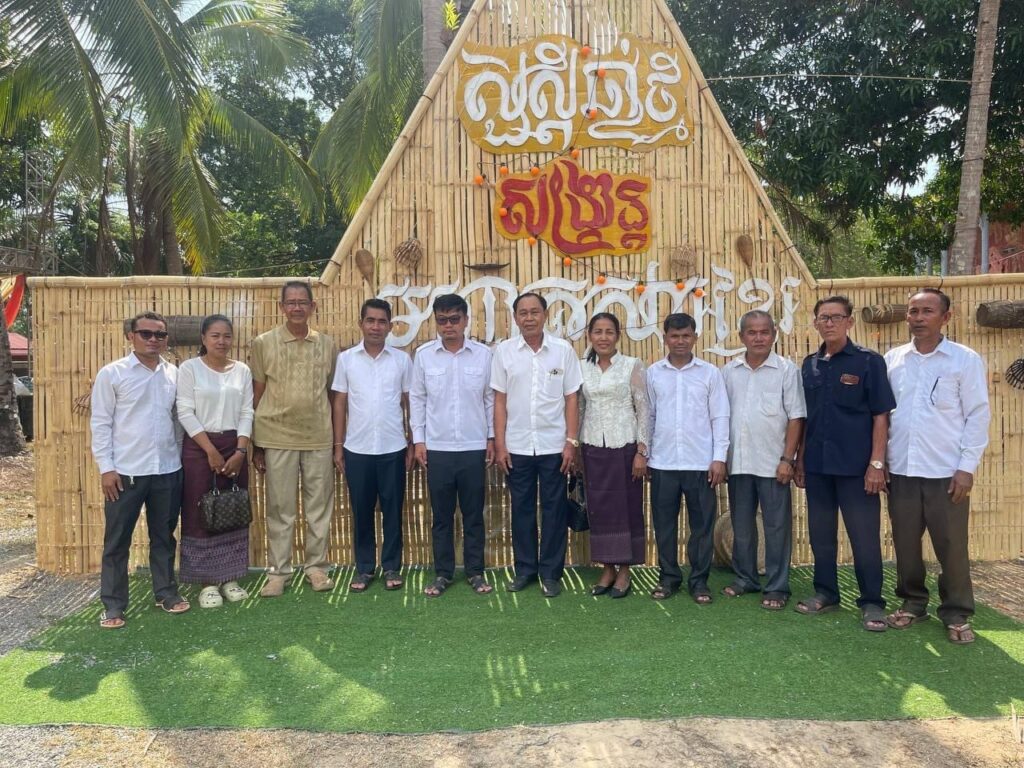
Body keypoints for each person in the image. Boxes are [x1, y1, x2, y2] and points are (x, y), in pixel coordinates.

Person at [884, 288, 990, 644]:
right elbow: (883, 416)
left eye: (927, 311)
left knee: (951, 545)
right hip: (901, 470)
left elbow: (977, 415)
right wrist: (881, 461)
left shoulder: (964, 360)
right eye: (913, 311)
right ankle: (913, 603)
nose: (918, 318)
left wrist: (966, 467)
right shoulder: (894, 360)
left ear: (946, 317)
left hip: (946, 472)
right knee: (905, 543)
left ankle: (956, 611)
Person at [795, 295, 896, 632]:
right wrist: (800, 460)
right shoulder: (809, 365)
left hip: (857, 469)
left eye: (836, 317)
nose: (830, 323)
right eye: (823, 317)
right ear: (815, 323)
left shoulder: (869, 362)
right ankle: (826, 593)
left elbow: (881, 415)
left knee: (864, 538)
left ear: (850, 322)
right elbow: (806, 418)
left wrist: (877, 464)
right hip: (818, 467)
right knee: (821, 536)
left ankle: (872, 602)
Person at [90, 311, 189, 628]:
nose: (153, 339)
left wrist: (178, 458)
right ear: (130, 336)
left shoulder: (173, 374)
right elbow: (101, 423)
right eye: (146, 333)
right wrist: (107, 468)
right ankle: (113, 605)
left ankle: (166, 593)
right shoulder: (113, 374)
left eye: (160, 334)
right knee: (117, 541)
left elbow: (177, 421)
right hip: (126, 473)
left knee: (164, 537)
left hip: (167, 469)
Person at [491, 292, 582, 598]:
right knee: (522, 510)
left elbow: (572, 398)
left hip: (554, 446)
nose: (529, 318)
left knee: (555, 510)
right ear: (515, 318)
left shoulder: (562, 351)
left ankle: (551, 573)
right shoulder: (504, 352)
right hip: (517, 446)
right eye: (523, 313)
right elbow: (499, 401)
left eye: (534, 312)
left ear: (545, 315)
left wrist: (571, 442)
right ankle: (525, 570)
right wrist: (500, 445)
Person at [250, 281, 337, 597]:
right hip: (276, 436)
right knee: (280, 507)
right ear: (281, 307)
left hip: (318, 437)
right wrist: (256, 443)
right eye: (291, 302)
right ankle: (279, 572)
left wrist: (336, 442)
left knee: (319, 507)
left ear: (313, 307)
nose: (297, 307)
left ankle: (317, 567)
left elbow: (331, 393)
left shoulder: (328, 345)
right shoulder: (263, 343)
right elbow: (257, 393)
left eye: (303, 302)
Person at [410, 294, 495, 597]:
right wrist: (419, 441)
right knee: (441, 517)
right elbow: (417, 399)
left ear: (466, 320)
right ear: (436, 322)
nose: (449, 326)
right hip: (438, 448)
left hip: (473, 447)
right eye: (442, 320)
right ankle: (443, 573)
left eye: (454, 319)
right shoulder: (424, 356)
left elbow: (490, 399)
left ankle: (475, 572)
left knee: (473, 516)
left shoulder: (483, 355)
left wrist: (491, 438)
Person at [721, 310, 806, 610]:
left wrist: (788, 459)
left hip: (774, 464)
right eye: (752, 332)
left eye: (764, 332)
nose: (758, 338)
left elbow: (796, 417)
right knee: (742, 526)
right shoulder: (729, 371)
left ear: (774, 335)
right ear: (741, 336)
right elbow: (720, 416)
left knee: (776, 528)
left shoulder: (786, 370)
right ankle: (745, 578)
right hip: (738, 462)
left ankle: (777, 585)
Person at [646, 313, 729, 604]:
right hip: (663, 463)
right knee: (664, 526)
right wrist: (646, 454)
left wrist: (719, 458)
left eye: (686, 336)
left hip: (701, 464)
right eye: (674, 336)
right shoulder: (653, 373)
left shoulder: (710, 373)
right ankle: (668, 578)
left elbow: (720, 417)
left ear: (695, 337)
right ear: (665, 338)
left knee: (702, 527)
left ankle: (699, 581)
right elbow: (649, 417)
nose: (680, 341)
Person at [332, 298, 413, 593]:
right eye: (371, 320)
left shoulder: (402, 360)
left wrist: (412, 443)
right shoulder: (347, 360)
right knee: (361, 511)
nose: (376, 327)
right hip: (357, 449)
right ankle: (364, 568)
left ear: (390, 327)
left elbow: (410, 403)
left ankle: (391, 567)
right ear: (361, 324)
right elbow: (339, 403)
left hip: (393, 448)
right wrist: (338, 445)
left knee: (393, 510)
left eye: (382, 322)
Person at [176, 315, 254, 608]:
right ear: (203, 339)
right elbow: (185, 412)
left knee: (232, 508)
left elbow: (247, 412)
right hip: (199, 448)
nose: (222, 341)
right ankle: (207, 583)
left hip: (235, 447)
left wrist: (240, 452)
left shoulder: (242, 371)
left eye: (227, 336)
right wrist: (209, 450)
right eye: (215, 336)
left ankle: (230, 577)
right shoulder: (189, 369)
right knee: (200, 511)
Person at [577, 312, 649, 598]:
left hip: (625, 447)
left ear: (618, 336)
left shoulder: (632, 365)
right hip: (593, 447)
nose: (603, 337)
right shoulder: (581, 368)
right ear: (589, 335)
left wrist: (641, 451)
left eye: (609, 332)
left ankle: (625, 571)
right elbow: (579, 408)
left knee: (627, 507)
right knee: (600, 509)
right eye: (598, 332)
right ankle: (607, 568)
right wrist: (575, 446)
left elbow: (643, 410)